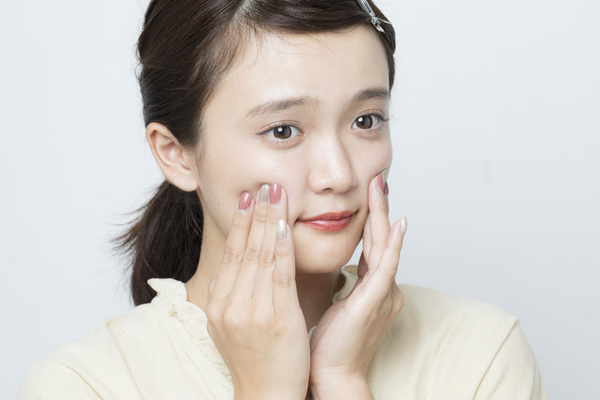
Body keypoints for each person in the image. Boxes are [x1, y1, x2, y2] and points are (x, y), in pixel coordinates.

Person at [17, 0, 548, 399]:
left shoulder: (479, 353)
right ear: (176, 154)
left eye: (366, 120)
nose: (339, 174)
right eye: (283, 130)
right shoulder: (84, 385)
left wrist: (341, 380)